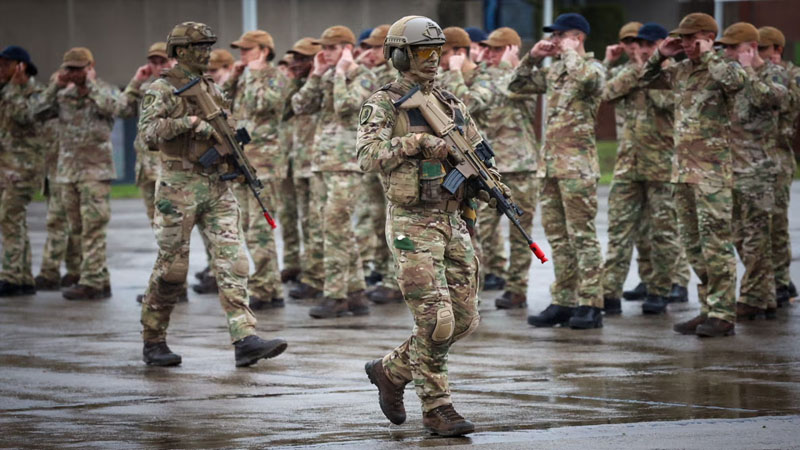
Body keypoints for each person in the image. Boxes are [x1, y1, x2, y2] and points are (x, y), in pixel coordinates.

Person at [358, 15, 485, 436]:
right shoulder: (385, 102)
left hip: (452, 218)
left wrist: (483, 183)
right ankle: (437, 407)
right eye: (422, 52)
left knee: (465, 318)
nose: (432, 60)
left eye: (437, 51)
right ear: (399, 55)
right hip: (413, 223)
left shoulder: (451, 104)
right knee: (436, 320)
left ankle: (391, 370)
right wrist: (416, 142)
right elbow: (367, 155)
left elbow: (476, 152)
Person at [137, 21, 287, 367]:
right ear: (180, 52)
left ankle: (245, 338)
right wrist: (189, 124)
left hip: (216, 186)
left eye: (208, 47)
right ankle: (153, 338)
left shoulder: (213, 90)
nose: (206, 53)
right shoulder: (161, 89)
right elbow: (147, 135)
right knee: (172, 269)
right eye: (198, 47)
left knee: (234, 263)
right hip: (178, 188)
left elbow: (227, 130)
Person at [638, 13, 747, 337]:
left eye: (690, 38)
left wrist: (710, 52)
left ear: (707, 37)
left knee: (716, 245)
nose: (685, 43)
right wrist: (662, 54)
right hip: (682, 172)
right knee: (694, 246)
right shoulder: (682, 71)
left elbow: (736, 83)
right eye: (682, 38)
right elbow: (645, 78)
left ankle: (724, 313)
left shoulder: (725, 68)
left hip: (711, 173)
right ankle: (708, 308)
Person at [509, 13, 607, 329]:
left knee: (583, 237)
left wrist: (568, 52)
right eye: (553, 36)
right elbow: (514, 85)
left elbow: (588, 82)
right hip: (550, 167)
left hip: (577, 168)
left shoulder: (592, 68)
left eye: (560, 35)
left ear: (577, 37)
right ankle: (564, 300)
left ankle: (591, 303)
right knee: (559, 238)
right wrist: (533, 58)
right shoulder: (555, 73)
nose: (553, 40)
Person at [33, 47, 136, 300]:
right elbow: (33, 113)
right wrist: (55, 86)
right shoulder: (63, 95)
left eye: (78, 68)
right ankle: (97, 279)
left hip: (95, 171)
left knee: (94, 227)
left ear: (90, 67)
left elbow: (121, 109)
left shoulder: (103, 90)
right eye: (69, 68)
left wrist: (91, 86)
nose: (73, 73)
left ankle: (92, 282)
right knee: (77, 229)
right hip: (67, 172)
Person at [600, 22, 688, 316]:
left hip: (661, 165)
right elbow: (607, 93)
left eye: (649, 45)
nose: (642, 49)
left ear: (662, 43)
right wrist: (637, 69)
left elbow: (666, 101)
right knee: (619, 230)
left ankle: (660, 290)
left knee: (663, 233)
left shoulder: (673, 72)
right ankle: (609, 292)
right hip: (628, 165)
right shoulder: (633, 70)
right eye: (640, 44)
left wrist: (647, 69)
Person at [291, 25, 376, 318]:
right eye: (324, 49)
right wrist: (316, 75)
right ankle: (356, 292)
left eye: (331, 48)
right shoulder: (325, 76)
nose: (325, 54)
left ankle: (335, 294)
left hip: (346, 164)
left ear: (347, 49)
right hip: (322, 163)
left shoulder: (365, 77)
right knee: (334, 228)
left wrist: (340, 73)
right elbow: (299, 105)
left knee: (335, 228)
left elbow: (345, 107)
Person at [464, 27, 541, 310]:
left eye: (497, 50)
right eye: (488, 49)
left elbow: (511, 88)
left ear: (511, 49)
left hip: (521, 164)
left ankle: (518, 288)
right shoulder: (483, 74)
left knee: (520, 231)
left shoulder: (521, 77)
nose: (490, 55)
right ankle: (473, 289)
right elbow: (468, 102)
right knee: (477, 228)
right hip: (490, 167)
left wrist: (512, 65)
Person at [718, 23, 788, 320]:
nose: (728, 53)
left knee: (756, 237)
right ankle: (765, 293)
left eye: (733, 48)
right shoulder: (733, 74)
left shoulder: (773, 73)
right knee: (738, 235)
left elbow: (771, 100)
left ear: (750, 47)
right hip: (733, 167)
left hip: (760, 169)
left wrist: (748, 71)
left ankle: (754, 297)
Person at [223, 29, 289, 310]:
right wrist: (237, 76)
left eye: (248, 50)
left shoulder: (275, 77)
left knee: (261, 227)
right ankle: (265, 283)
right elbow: (222, 103)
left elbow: (264, 104)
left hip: (266, 162)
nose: (243, 55)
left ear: (263, 51)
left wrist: (256, 74)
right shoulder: (243, 78)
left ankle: (267, 286)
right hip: (243, 159)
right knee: (247, 227)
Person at [758, 26, 799, 306]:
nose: (757, 55)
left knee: (776, 225)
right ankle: (764, 281)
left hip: (779, 158)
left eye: (762, 49)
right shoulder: (753, 75)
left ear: (777, 50)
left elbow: (786, 103)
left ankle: (782, 280)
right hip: (753, 159)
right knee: (755, 227)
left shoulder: (790, 75)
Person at [277, 38, 321, 285]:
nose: (296, 64)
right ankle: (302, 267)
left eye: (303, 59)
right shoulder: (299, 85)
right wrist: (294, 79)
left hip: (317, 163)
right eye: (295, 59)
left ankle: (316, 275)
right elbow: (284, 110)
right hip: (296, 161)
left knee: (315, 223)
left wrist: (315, 76)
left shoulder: (320, 82)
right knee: (298, 220)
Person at [0, 46, 44, 297]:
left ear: (21, 67)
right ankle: (23, 277)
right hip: (5, 167)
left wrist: (15, 88)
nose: (0, 70)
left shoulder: (35, 93)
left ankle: (11, 276)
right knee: (12, 220)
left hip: (24, 167)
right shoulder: (5, 93)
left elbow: (25, 116)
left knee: (9, 215)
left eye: (6, 65)